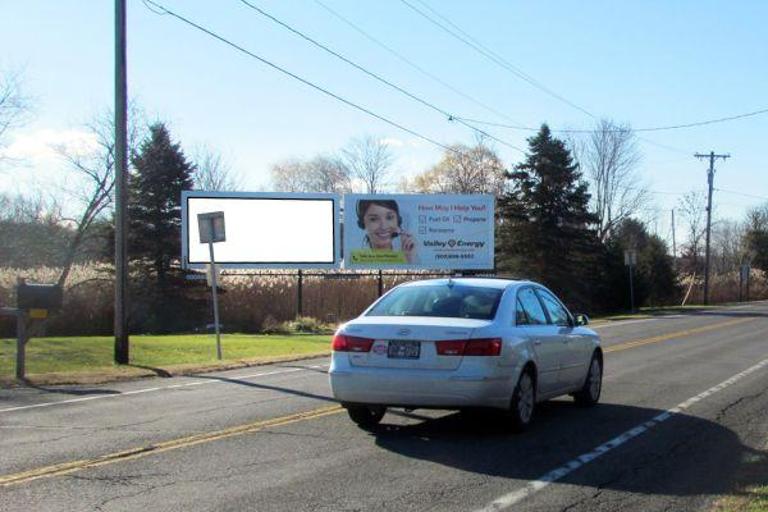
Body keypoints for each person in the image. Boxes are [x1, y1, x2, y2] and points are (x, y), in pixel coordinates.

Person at [356, 199, 417, 264]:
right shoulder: (355, 258)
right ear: (362, 223)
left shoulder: (410, 255)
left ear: (398, 221)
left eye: (389, 217)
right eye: (373, 219)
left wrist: (409, 259)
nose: (383, 226)